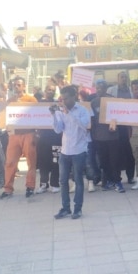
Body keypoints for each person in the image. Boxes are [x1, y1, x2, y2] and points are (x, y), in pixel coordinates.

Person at [51, 85, 92, 220]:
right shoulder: (61, 111)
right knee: (63, 181)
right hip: (65, 151)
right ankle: (65, 208)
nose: (64, 102)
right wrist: (54, 116)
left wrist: (71, 113)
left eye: (66, 99)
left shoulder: (82, 110)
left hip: (79, 150)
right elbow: (58, 130)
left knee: (78, 180)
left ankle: (78, 209)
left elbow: (85, 127)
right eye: (62, 99)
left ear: (74, 97)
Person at [0, 76, 39, 199]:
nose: (16, 87)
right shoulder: (10, 101)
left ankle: (30, 187)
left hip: (29, 134)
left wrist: (37, 134)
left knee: (31, 162)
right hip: (14, 135)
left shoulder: (31, 100)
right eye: (14, 85)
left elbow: (38, 116)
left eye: (19, 85)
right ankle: (7, 189)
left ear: (24, 86)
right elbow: (3, 118)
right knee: (10, 162)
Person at [36, 83, 62, 194]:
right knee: (43, 163)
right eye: (48, 89)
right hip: (43, 139)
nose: (50, 91)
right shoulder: (39, 104)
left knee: (56, 161)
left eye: (52, 90)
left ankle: (55, 184)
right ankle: (43, 185)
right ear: (45, 90)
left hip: (56, 138)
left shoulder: (58, 104)